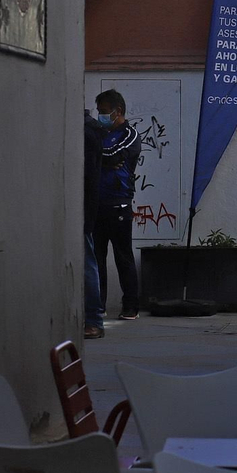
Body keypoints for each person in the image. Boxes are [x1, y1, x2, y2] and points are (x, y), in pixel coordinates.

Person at [90, 90, 142, 321]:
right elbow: (100, 156)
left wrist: (100, 158)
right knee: (96, 259)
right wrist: (103, 159)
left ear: (117, 111)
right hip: (96, 205)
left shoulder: (129, 135)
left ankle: (131, 306)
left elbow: (113, 154)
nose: (100, 116)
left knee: (123, 258)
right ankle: (97, 306)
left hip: (118, 205)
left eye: (103, 112)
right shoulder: (99, 134)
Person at [81, 108, 107, 339]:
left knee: (88, 264)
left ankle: (93, 320)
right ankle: (92, 319)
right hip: (85, 208)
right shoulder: (92, 131)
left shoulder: (86, 133)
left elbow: (86, 176)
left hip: (83, 209)